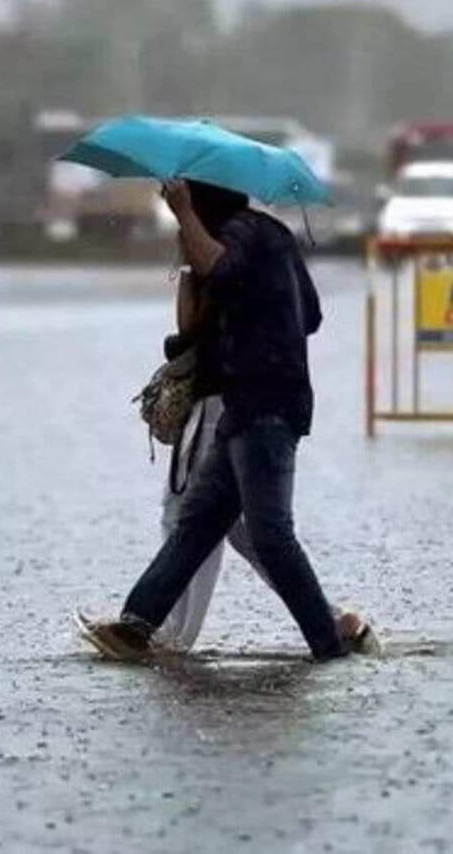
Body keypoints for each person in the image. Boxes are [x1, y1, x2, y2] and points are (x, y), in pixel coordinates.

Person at [82, 179, 353, 662]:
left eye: (189, 202)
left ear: (203, 202)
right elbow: (305, 314)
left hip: (266, 405)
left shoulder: (245, 234)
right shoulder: (266, 239)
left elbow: (224, 270)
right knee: (198, 523)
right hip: (244, 407)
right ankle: (136, 628)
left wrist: (184, 215)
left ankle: (330, 640)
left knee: (270, 535)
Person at [152, 236, 378, 655]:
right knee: (243, 529)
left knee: (189, 515)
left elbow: (190, 327)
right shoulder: (256, 244)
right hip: (245, 400)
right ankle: (332, 620)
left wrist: (187, 263)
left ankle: (168, 632)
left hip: (224, 401)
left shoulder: (222, 249)